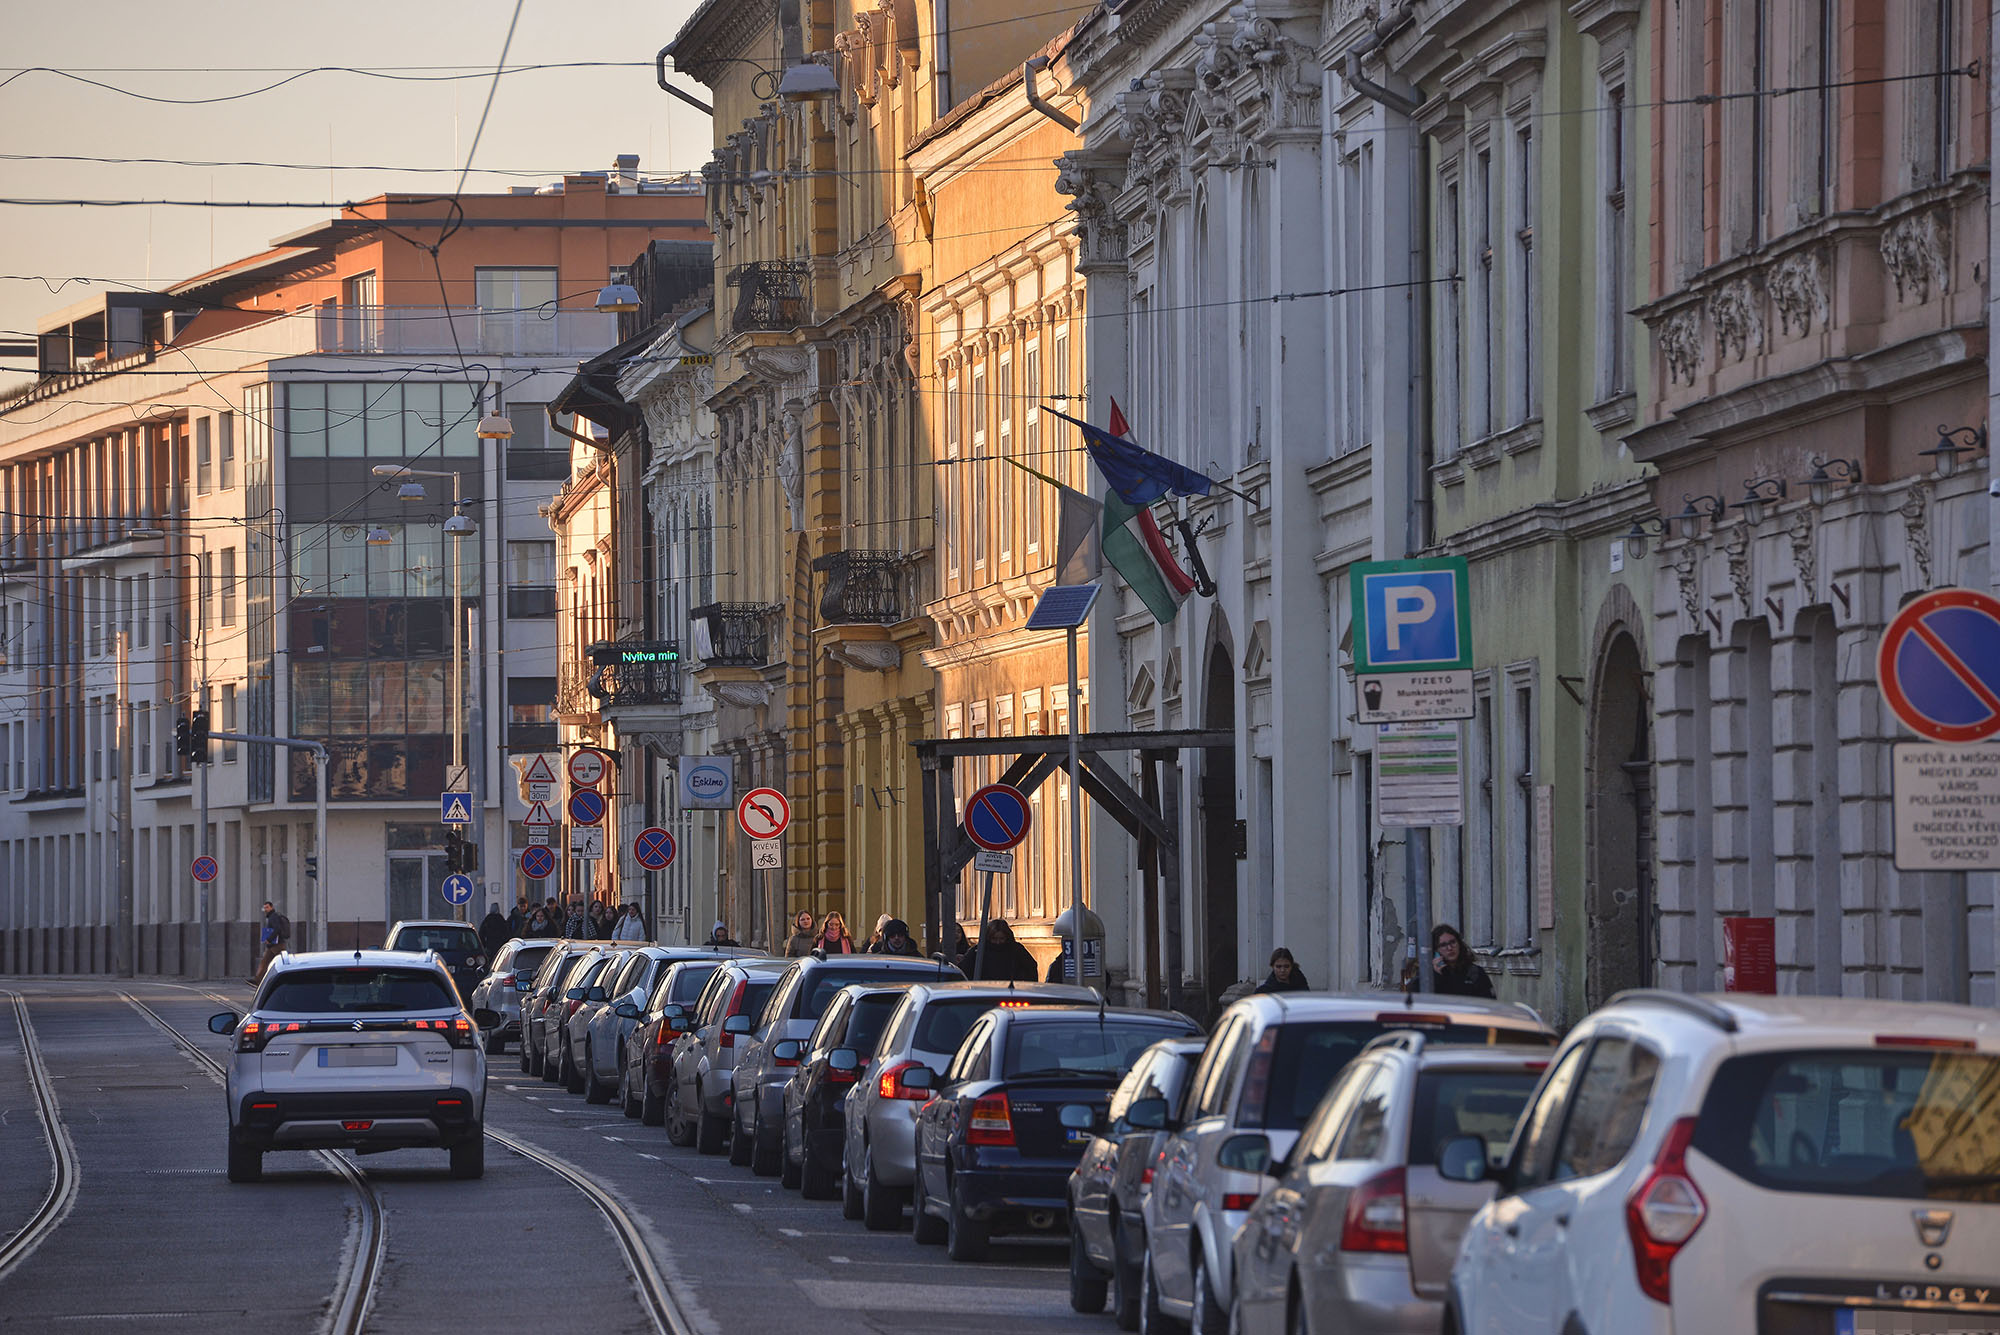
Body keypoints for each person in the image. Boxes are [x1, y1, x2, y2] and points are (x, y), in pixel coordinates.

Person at [1431, 923, 1496, 997]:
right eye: (1443, 945)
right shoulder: (1429, 976)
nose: (1450, 948)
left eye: (1453, 942)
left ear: (1459, 943)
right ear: (1436, 950)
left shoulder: (1475, 972)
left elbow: (1489, 1000)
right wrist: (1436, 976)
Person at [965, 919, 1039, 981]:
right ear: (988, 937)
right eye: (994, 939)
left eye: (1001, 939)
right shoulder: (978, 950)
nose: (998, 942)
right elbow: (965, 969)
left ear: (1007, 937)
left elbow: (1030, 968)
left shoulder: (1016, 949)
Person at [250, 901, 290, 986]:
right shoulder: (272, 916)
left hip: (277, 945)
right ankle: (258, 980)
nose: (266, 909)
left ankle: (287, 978)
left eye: (267, 907)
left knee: (281, 962)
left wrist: (269, 939)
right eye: (264, 908)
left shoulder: (273, 917)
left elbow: (277, 929)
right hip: (274, 945)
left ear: (272, 907)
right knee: (265, 961)